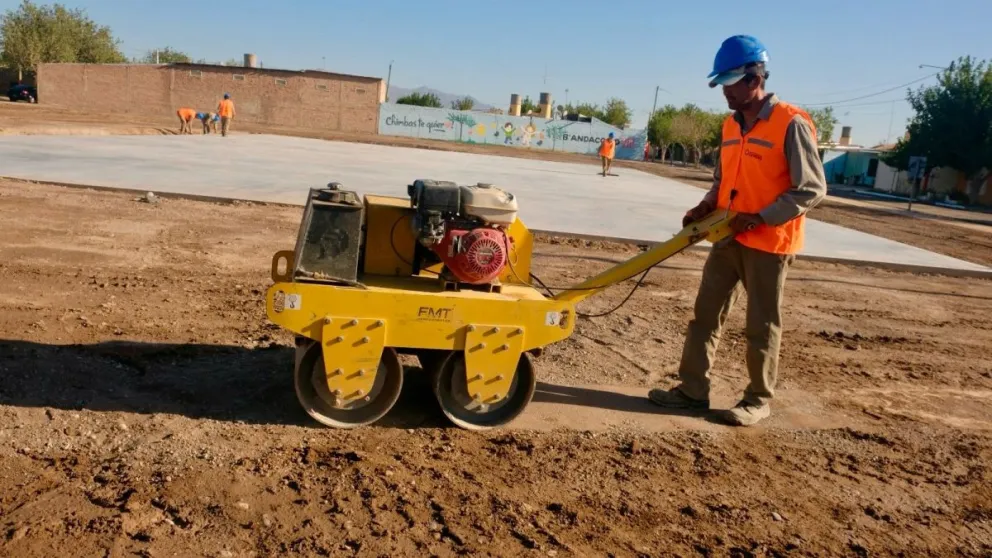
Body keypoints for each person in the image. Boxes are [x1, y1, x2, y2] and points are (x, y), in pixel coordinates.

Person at [647, 35, 827, 426]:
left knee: (761, 325)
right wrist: (707, 205)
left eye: (730, 82)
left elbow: (812, 188)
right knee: (705, 316)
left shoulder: (791, 123)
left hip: (769, 242)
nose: (724, 92)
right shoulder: (730, 125)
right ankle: (693, 391)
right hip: (727, 235)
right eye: (722, 83)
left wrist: (762, 217)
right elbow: (723, 178)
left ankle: (758, 399)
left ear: (754, 77)